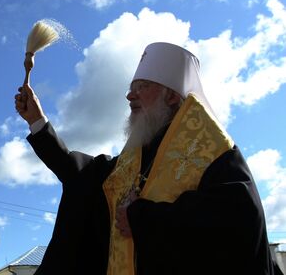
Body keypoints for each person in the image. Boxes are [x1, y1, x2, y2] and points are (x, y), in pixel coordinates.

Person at [15, 42, 282, 275]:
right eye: (131, 88)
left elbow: (239, 222)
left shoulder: (214, 152)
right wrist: (38, 122)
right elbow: (83, 177)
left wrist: (144, 219)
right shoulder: (135, 158)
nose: (130, 95)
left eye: (142, 87)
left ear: (172, 95)